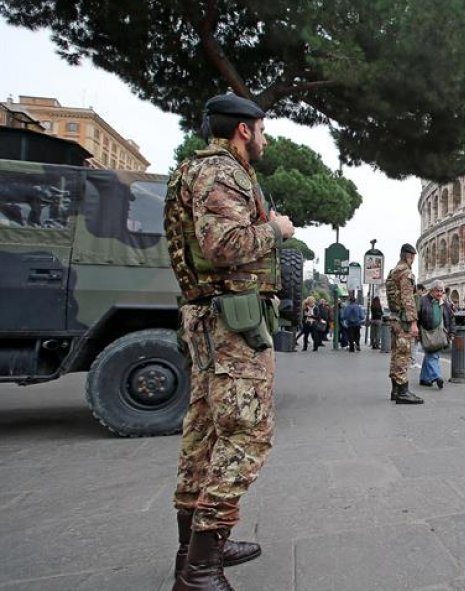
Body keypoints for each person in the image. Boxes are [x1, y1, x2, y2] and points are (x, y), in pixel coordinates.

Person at [164, 93, 295, 591]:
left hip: (208, 316)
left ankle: (191, 550)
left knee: (204, 433)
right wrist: (275, 229)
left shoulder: (193, 170)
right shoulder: (221, 172)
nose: (264, 138)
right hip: (230, 322)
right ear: (244, 129)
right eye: (261, 129)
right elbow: (224, 246)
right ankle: (200, 571)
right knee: (244, 434)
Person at [384, 244, 423, 404]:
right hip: (403, 320)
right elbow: (408, 300)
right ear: (409, 256)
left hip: (394, 318)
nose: (413, 260)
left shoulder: (392, 272)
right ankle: (403, 392)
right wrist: (413, 322)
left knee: (395, 354)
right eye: (413, 257)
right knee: (403, 355)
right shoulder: (406, 273)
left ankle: (395, 390)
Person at [418, 280, 453, 389]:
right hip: (426, 332)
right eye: (437, 291)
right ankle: (436, 376)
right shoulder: (423, 301)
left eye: (441, 291)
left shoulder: (444, 303)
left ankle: (425, 378)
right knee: (432, 354)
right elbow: (416, 316)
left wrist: (451, 332)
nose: (439, 294)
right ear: (431, 291)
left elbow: (450, 318)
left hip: (440, 333)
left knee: (431, 354)